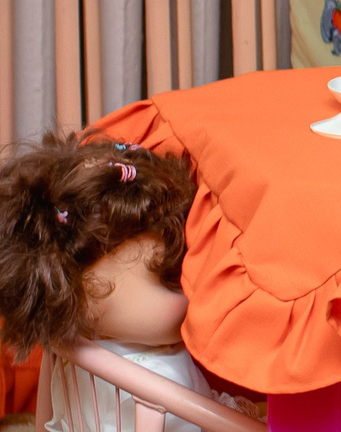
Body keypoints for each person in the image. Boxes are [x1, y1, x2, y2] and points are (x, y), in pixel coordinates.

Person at [0, 135, 238, 432]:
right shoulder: (153, 384)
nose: (192, 279)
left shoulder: (70, 346)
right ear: (88, 294)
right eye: (170, 276)